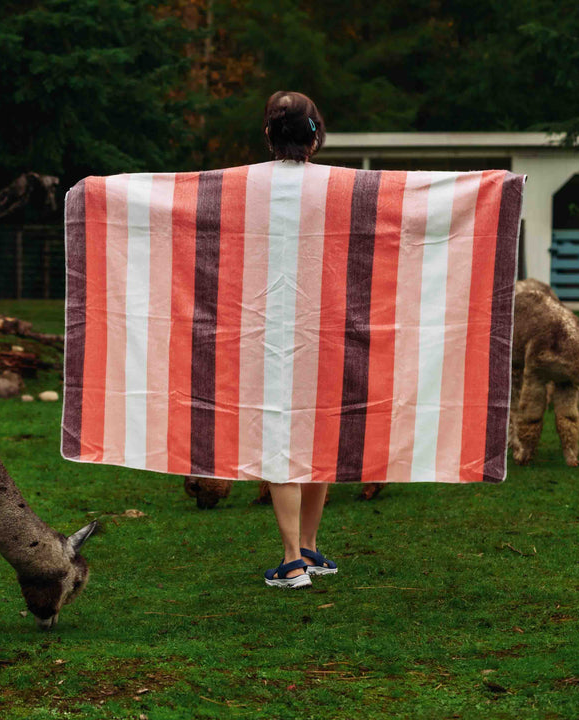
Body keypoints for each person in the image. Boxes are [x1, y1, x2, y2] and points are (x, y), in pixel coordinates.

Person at [260, 91, 337, 589]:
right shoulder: (341, 188)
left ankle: (292, 560)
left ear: (269, 133)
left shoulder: (241, 187)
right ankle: (308, 548)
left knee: (278, 439)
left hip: (264, 330)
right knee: (317, 434)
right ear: (316, 135)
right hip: (328, 327)